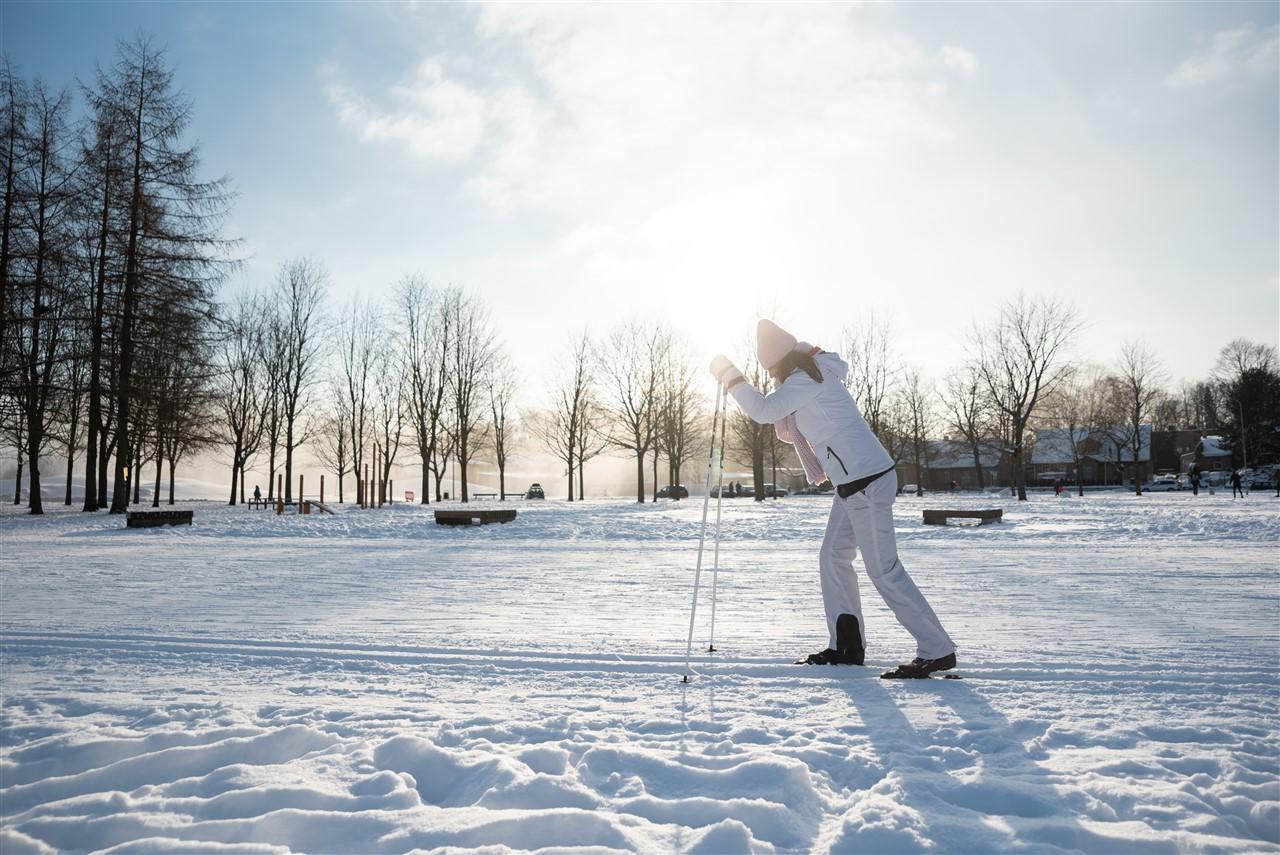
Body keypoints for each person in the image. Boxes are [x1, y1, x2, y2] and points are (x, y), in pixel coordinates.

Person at [710, 320, 957, 679]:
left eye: (769, 368)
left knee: (884, 570)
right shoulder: (809, 375)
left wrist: (731, 376)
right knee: (832, 558)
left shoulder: (807, 380)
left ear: (776, 363)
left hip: (866, 482)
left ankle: (937, 649)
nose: (770, 375)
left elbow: (763, 411)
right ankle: (846, 647)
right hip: (852, 483)